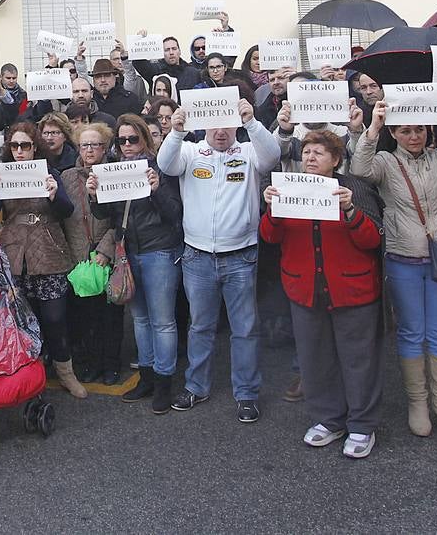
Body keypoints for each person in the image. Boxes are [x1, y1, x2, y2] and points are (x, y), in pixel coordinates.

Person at [350, 99, 437, 440]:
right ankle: (418, 404)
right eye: (405, 130)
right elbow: (360, 170)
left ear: (428, 129)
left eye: (419, 129)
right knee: (411, 333)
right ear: (394, 132)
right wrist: (373, 128)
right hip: (403, 256)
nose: (413, 136)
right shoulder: (385, 161)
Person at [260, 129, 384, 459]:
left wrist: (350, 212)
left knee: (358, 360)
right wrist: (271, 208)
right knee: (316, 359)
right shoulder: (288, 187)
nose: (311, 158)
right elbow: (270, 237)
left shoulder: (354, 188)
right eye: (307, 153)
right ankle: (328, 419)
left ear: (336, 159)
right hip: (305, 288)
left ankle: (361, 424)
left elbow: (373, 240)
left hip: (351, 288)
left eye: (319, 153)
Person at [158, 99, 279, 421]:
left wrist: (252, 123)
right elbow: (166, 165)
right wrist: (176, 133)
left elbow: (273, 157)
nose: (221, 132)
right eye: (215, 125)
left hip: (241, 255)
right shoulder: (191, 151)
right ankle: (196, 386)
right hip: (197, 256)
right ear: (204, 124)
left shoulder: (249, 151)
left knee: (245, 329)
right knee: (200, 326)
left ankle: (247, 393)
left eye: (228, 125)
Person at [0, 121, 88, 399]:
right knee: (22, 320)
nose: (19, 151)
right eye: (14, 146)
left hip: (48, 248)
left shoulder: (49, 172)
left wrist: (54, 194)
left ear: (34, 147)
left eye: (25, 145)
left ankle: (66, 372)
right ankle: (32, 373)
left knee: (55, 317)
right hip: (15, 251)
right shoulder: (1, 174)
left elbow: (66, 210)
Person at [90, 115, 182, 409]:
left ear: (145, 138)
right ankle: (146, 376)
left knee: (163, 322)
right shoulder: (113, 170)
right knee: (140, 319)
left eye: (133, 139)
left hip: (159, 251)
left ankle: (164, 382)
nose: (127, 145)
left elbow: (174, 214)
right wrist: (94, 196)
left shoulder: (161, 168)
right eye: (121, 140)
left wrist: (156, 191)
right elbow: (107, 215)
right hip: (129, 252)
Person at [59, 122, 120, 386]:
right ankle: (91, 363)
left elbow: (119, 218)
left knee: (110, 315)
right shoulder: (67, 177)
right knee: (85, 316)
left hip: (106, 253)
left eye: (95, 144)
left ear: (105, 147)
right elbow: (63, 217)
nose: (90, 149)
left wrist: (106, 250)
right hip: (78, 257)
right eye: (85, 145)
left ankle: (111, 365)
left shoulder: (114, 173)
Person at [132, 34, 202, 91]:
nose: (171, 53)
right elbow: (139, 63)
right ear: (162, 53)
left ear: (179, 51)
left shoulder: (193, 72)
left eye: (174, 49)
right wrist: (139, 41)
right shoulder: (155, 71)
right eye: (167, 50)